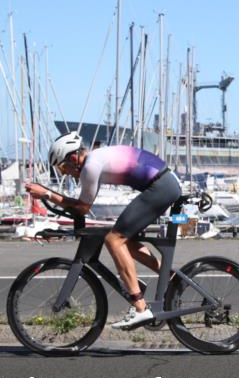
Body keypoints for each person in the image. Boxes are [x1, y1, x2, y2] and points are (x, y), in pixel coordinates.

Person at [25, 132, 182, 329]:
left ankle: (140, 308)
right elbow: (83, 204)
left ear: (73, 158)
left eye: (62, 167)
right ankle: (172, 277)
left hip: (161, 186)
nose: (64, 173)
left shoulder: (90, 166)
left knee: (114, 240)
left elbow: (83, 208)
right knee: (125, 241)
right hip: (163, 183)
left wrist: (47, 193)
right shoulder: (95, 160)